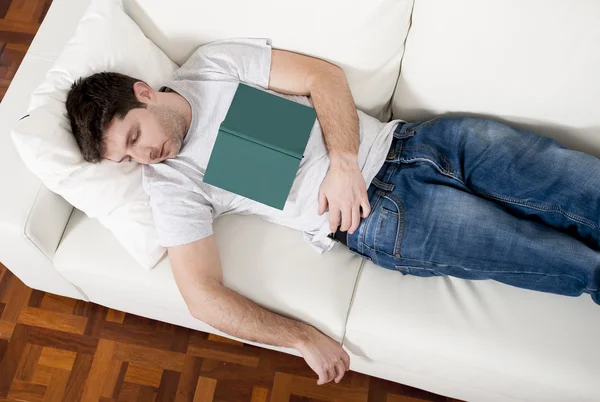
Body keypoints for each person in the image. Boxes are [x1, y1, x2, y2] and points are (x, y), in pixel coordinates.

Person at [65, 38, 600, 386]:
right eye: (126, 157)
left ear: (144, 92)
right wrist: (300, 337)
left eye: (135, 136)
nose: (143, 156)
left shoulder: (212, 66)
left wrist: (343, 159)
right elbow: (201, 298)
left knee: (579, 185)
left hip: (419, 139)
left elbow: (323, 78)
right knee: (563, 260)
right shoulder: (172, 184)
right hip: (387, 218)